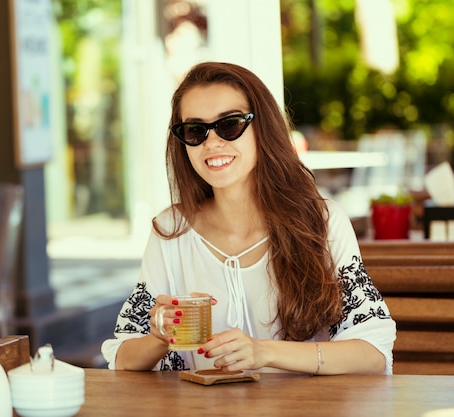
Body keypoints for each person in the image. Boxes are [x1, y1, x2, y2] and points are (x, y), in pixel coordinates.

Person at [101, 61, 396, 375]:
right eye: (195, 130)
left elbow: (372, 352)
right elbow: (123, 357)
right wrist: (161, 338)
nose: (212, 142)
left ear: (263, 127)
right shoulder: (172, 231)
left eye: (229, 124)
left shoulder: (321, 222)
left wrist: (264, 353)